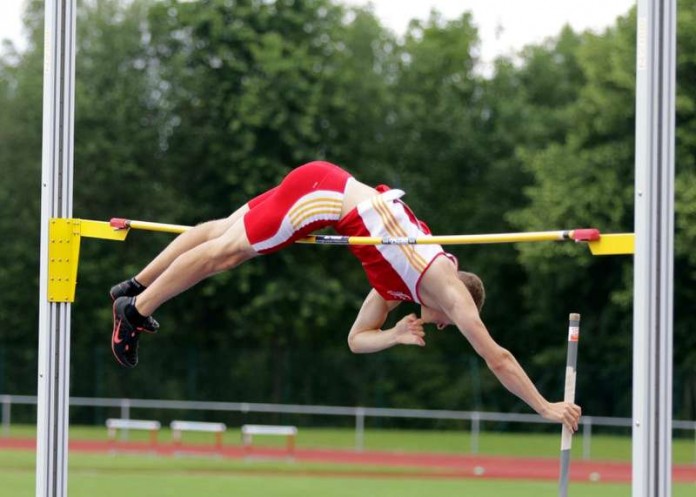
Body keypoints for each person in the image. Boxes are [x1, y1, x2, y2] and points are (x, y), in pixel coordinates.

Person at [110, 160, 581, 433]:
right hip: (323, 199)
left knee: (220, 230)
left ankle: (134, 284)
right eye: (448, 323)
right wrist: (545, 406)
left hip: (323, 185)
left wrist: (394, 336)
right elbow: (496, 356)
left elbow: (357, 338)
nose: (441, 325)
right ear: (462, 302)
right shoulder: (447, 287)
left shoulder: (399, 288)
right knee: (225, 254)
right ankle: (135, 310)